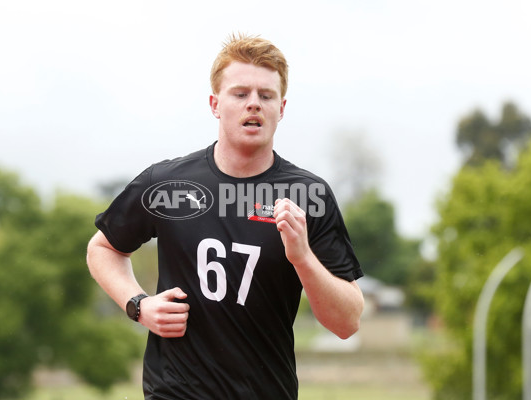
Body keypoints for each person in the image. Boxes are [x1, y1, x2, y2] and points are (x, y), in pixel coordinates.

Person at [86, 33, 364, 400]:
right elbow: (102, 248)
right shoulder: (167, 183)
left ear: (281, 108)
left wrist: (302, 257)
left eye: (266, 96)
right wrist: (138, 305)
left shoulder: (308, 196)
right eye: (240, 94)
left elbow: (347, 323)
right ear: (216, 104)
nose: (254, 105)